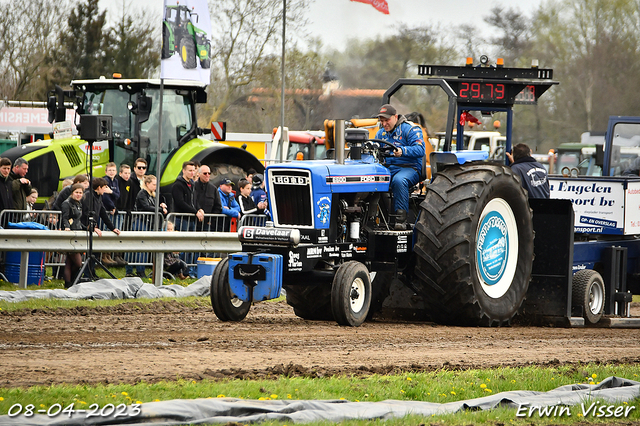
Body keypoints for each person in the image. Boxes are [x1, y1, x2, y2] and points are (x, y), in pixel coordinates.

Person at [375, 104, 425, 230]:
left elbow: (420, 149)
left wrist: (403, 151)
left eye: (387, 120)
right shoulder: (380, 134)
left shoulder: (410, 130)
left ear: (395, 117)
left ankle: (400, 220)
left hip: (410, 168)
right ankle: (374, 217)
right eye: (382, 121)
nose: (384, 124)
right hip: (388, 168)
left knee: (399, 180)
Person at [60, 183, 85, 288]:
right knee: (78, 262)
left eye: (80, 193)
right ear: (72, 193)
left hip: (77, 232)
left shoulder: (78, 203)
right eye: (77, 192)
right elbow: (65, 217)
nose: (79, 195)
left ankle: (69, 283)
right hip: (71, 234)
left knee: (70, 262)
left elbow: (78, 219)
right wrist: (67, 227)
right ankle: (72, 281)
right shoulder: (67, 203)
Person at [171, 161, 204, 231]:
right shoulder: (177, 185)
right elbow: (180, 202)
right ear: (184, 171)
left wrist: (199, 209)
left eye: (193, 170)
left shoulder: (192, 184)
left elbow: (195, 200)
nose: (192, 173)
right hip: (182, 219)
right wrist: (195, 212)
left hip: (192, 218)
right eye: (190, 171)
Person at [194, 164, 222, 231]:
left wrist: (210, 219)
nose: (207, 175)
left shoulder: (213, 189)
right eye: (205, 173)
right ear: (199, 174)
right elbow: (192, 201)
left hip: (206, 224)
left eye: (209, 173)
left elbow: (218, 206)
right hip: (193, 221)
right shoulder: (193, 186)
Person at [0, 157, 14, 225]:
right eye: (4, 168)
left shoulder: (10, 182)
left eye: (8, 169)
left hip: (9, 218)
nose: (6, 171)